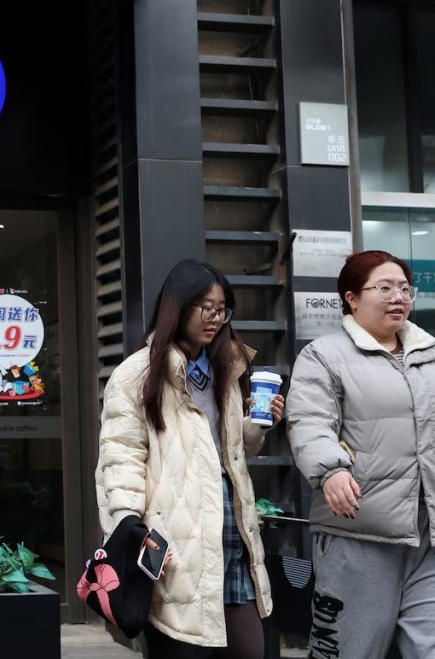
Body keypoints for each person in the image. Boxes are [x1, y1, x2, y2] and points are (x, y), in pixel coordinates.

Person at [286, 250, 435, 659]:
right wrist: (331, 471)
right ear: (352, 298)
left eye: (404, 288)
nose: (398, 296)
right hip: (360, 534)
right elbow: (310, 423)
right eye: (384, 288)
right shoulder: (324, 356)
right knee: (349, 653)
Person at [95, 259, 284, 659]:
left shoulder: (225, 371)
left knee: (253, 648)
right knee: (183, 647)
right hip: (175, 535)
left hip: (233, 530)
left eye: (222, 309)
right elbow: (122, 454)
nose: (214, 318)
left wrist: (258, 426)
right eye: (205, 307)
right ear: (175, 307)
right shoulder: (135, 376)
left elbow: (228, 451)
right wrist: (128, 521)